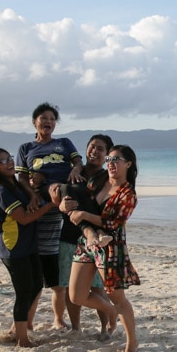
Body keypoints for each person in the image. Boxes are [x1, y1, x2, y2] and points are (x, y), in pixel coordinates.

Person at [15, 102, 85, 330]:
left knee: (58, 277)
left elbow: (77, 161)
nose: (48, 122)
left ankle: (58, 319)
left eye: (52, 119)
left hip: (62, 200)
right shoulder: (26, 148)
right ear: (35, 122)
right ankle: (29, 321)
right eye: (44, 118)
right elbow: (23, 178)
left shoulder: (63, 143)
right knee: (38, 268)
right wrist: (32, 195)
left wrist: (75, 169)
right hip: (41, 202)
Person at [0, 148, 58, 348]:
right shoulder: (1, 190)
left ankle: (17, 330)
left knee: (36, 285)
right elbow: (23, 218)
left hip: (30, 244)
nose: (9, 162)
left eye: (9, 158)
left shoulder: (14, 183)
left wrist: (35, 196)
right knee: (24, 291)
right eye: (2, 161)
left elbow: (30, 203)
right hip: (13, 246)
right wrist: (51, 205)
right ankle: (22, 339)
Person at [66, 145, 141, 352]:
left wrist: (84, 216)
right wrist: (66, 204)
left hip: (111, 247)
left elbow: (114, 223)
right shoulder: (97, 182)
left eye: (116, 160)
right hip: (86, 243)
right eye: (109, 159)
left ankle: (131, 341)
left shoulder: (128, 194)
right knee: (76, 296)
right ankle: (108, 310)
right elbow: (78, 201)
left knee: (118, 298)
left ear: (128, 164)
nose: (111, 163)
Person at [50, 134, 114, 338]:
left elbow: (108, 214)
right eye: (92, 147)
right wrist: (59, 205)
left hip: (95, 239)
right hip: (69, 235)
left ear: (107, 156)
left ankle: (106, 326)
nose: (95, 151)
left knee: (96, 287)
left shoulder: (107, 179)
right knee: (70, 287)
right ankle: (76, 327)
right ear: (86, 149)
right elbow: (59, 202)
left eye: (101, 149)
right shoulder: (71, 173)